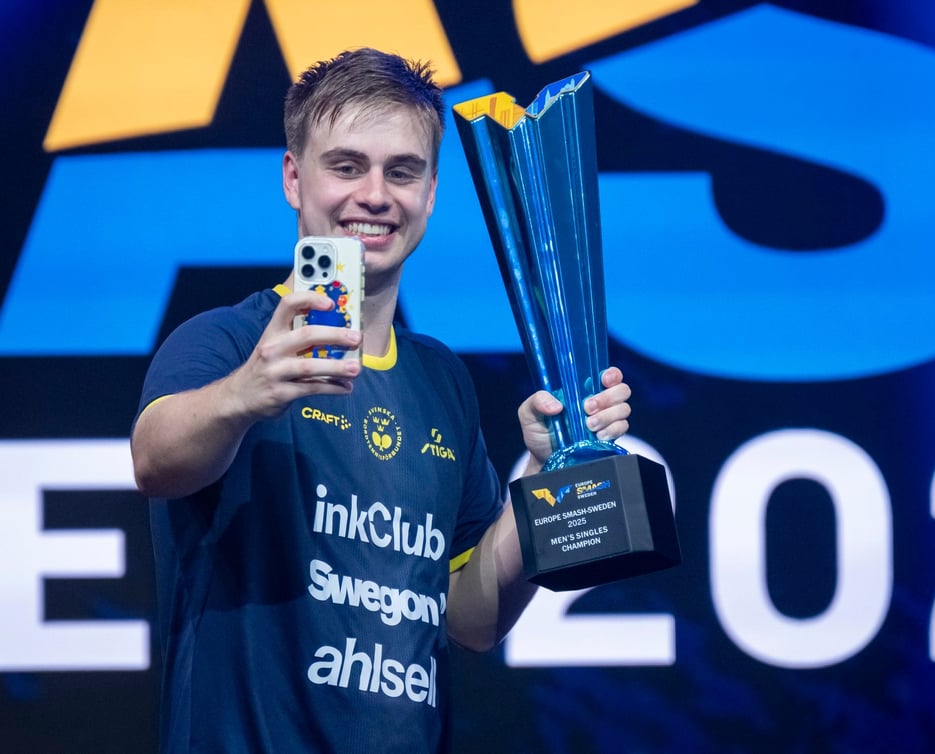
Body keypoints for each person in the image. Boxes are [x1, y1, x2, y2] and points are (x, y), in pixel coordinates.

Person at [131, 48, 632, 753]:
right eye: (346, 166)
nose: (375, 195)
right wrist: (247, 393)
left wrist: (543, 482)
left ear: (431, 193)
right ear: (293, 178)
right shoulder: (227, 339)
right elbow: (155, 461)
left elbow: (470, 621)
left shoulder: (440, 379)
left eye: (403, 171)